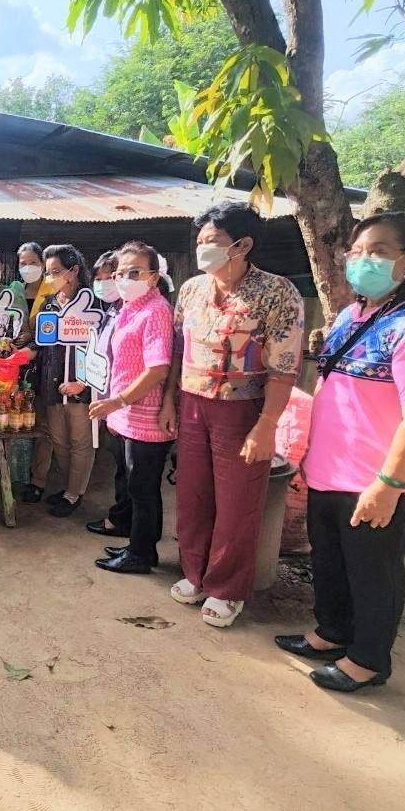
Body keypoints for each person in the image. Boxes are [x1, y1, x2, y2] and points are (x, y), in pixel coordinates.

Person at [278, 212, 405, 692]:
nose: (363, 260)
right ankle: (331, 632)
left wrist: (389, 485)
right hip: (330, 468)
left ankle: (367, 660)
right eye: (357, 251)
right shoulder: (352, 316)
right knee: (330, 561)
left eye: (378, 251)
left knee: (373, 572)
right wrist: (309, 453)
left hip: (378, 477)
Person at [162, 203, 304, 627]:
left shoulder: (278, 292)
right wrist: (170, 401)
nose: (203, 248)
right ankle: (195, 573)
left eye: (213, 241)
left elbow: (284, 367)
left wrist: (267, 425)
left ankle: (227, 588)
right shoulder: (192, 290)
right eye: (201, 240)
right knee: (193, 495)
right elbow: (177, 350)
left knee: (238, 502)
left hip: (244, 409)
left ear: (242, 245)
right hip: (192, 404)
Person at [89, 242, 176, 574]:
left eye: (135, 272)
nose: (124, 278)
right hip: (127, 413)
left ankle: (141, 554)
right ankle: (138, 545)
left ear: (153, 277)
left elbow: (157, 369)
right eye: (121, 272)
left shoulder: (155, 311)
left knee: (143, 488)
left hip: (146, 414)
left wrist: (118, 400)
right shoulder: (131, 307)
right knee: (135, 484)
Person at [20, 244, 93, 518]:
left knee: (80, 441)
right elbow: (40, 343)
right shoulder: (49, 305)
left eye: (55, 271)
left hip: (81, 385)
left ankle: (74, 494)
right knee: (59, 440)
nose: (50, 278)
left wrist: (85, 381)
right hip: (52, 382)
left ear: (73, 271)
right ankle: (67, 488)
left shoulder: (93, 302)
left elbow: (103, 347)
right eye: (48, 272)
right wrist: (15, 356)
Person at [17, 241, 55, 332]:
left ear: (43, 264)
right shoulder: (15, 291)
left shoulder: (54, 290)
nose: (27, 268)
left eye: (33, 263)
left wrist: (31, 335)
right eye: (23, 263)